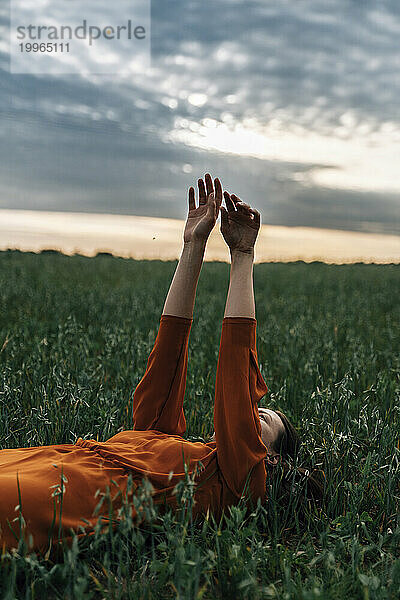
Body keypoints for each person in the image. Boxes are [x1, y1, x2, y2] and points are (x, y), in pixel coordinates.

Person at [0, 174, 322, 557]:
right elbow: (166, 357)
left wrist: (243, 257)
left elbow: (236, 374)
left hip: (71, 497)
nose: (253, 411)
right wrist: (193, 244)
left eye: (264, 420)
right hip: (49, 460)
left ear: (271, 457)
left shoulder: (239, 481)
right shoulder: (168, 439)